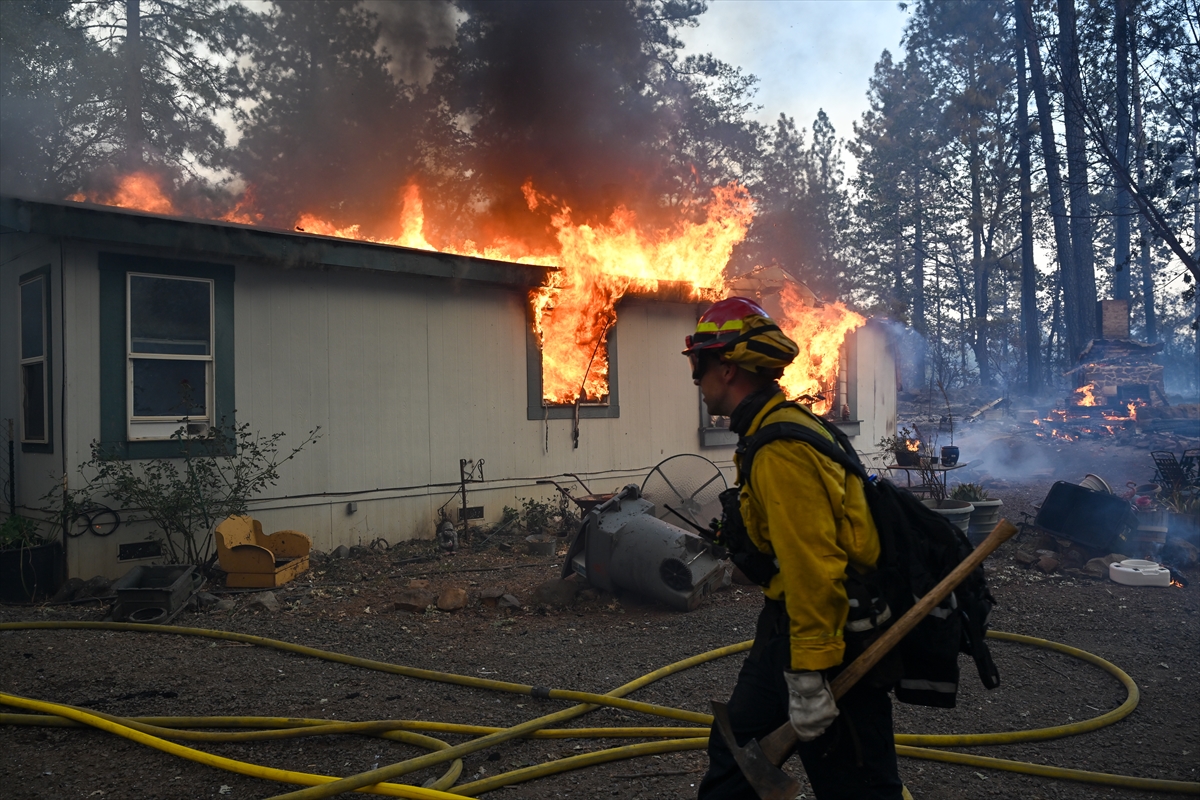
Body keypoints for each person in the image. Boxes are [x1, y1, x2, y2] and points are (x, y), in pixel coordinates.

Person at [684, 297, 903, 800]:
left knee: (856, 781)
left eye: (699, 363)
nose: (695, 377)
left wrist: (808, 673)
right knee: (737, 751)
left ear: (729, 367)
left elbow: (814, 566)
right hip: (791, 621)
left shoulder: (781, 447)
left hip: (830, 633)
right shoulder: (772, 429)